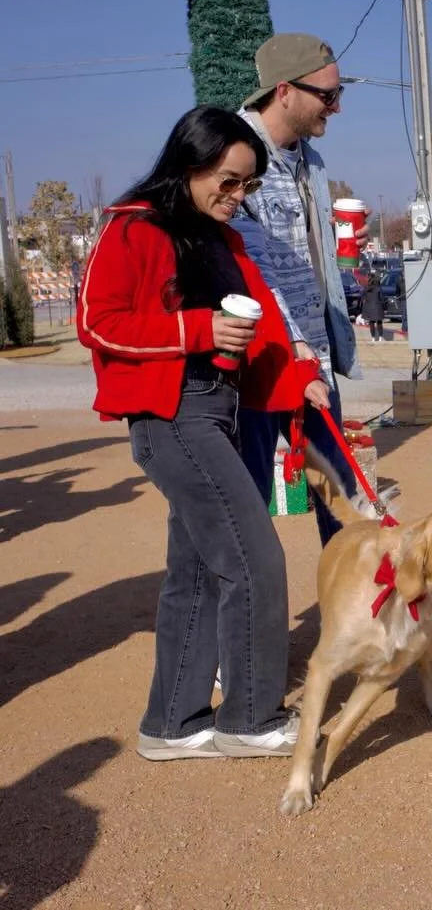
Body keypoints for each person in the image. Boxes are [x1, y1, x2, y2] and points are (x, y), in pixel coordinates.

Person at [77, 106, 325, 761]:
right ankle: (250, 715)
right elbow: (96, 323)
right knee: (255, 557)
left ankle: (172, 722)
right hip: (171, 415)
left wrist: (299, 376)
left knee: (195, 571)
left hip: (218, 409)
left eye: (246, 185)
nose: (237, 195)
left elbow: (261, 326)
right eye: (229, 179)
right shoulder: (135, 227)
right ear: (193, 160)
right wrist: (197, 331)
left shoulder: (225, 239)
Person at [229, 33, 364, 546]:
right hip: (262, 367)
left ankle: (354, 620)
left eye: (339, 92)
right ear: (284, 91)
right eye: (328, 95)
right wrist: (293, 351)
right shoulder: (237, 153)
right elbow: (250, 271)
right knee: (247, 510)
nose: (338, 106)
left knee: (342, 499)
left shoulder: (311, 161)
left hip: (314, 361)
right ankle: (249, 626)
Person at [361, 270, 385, 343]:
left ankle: (373, 338)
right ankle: (380, 337)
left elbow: (362, 298)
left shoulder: (366, 289)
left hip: (369, 308)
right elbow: (382, 298)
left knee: (371, 323)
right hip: (378, 307)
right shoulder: (378, 288)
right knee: (379, 322)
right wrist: (384, 306)